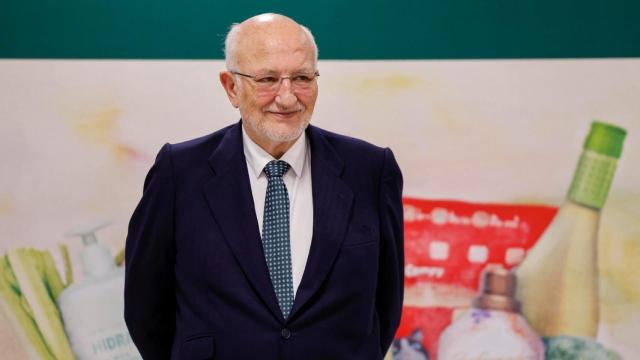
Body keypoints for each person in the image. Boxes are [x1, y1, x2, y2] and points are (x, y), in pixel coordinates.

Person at [124, 13, 404, 360]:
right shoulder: (179, 173)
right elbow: (145, 307)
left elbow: (386, 302)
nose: (287, 98)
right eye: (268, 79)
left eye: (301, 77)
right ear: (231, 87)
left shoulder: (370, 170)